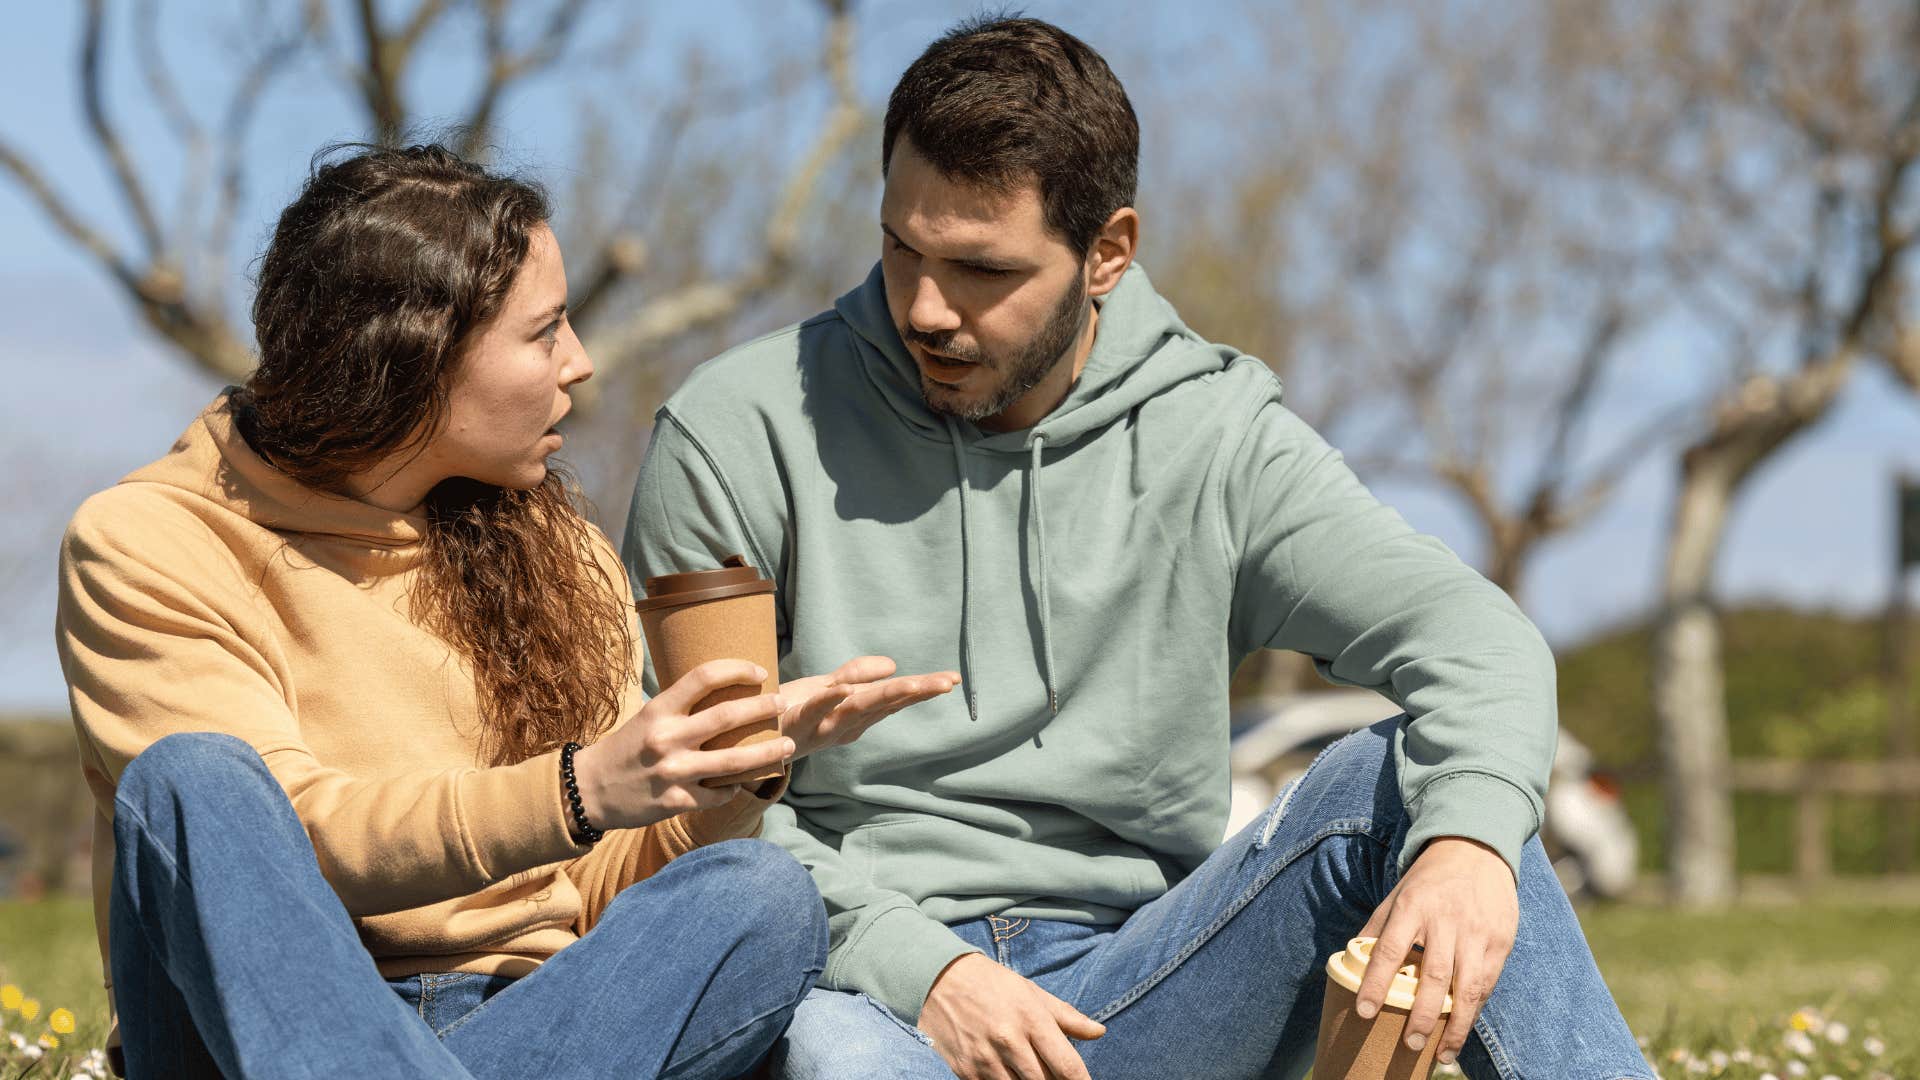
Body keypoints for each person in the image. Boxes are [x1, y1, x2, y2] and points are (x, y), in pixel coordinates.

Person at [624, 17, 1654, 1080]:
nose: (924, 307)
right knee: (840, 1064)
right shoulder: (735, 432)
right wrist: (921, 969)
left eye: (981, 270)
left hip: (1141, 987)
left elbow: (1479, 642)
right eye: (901, 247)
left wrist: (1471, 846)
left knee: (1438, 802)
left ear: (1107, 253)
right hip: (859, 989)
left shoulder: (1215, 438)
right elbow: (695, 813)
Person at [55, 143, 956, 1078]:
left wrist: (722, 778)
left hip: (541, 1020)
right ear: (414, 354)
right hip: (256, 1025)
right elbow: (290, 848)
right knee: (189, 781)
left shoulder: (556, 552)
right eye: (545, 331)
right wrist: (577, 789)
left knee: (762, 893)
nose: (581, 362)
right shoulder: (148, 541)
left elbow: (596, 891)